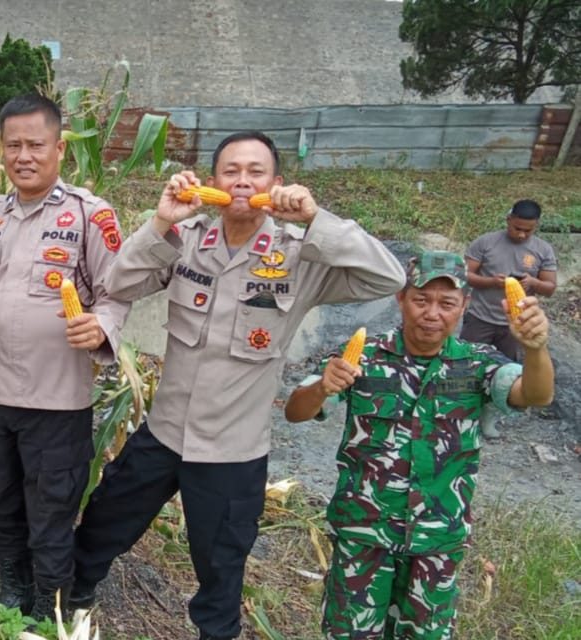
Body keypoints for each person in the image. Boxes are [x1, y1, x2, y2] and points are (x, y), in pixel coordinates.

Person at [71, 131, 407, 640]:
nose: (243, 182)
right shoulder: (188, 241)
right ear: (213, 181)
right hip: (164, 435)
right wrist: (162, 220)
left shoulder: (302, 255)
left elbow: (388, 278)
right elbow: (119, 283)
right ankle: (69, 598)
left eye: (256, 171)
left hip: (231, 452)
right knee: (102, 524)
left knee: (221, 567)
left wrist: (318, 219)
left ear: (277, 182)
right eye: (231, 171)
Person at [284, 251, 554, 639]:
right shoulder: (365, 357)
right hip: (364, 534)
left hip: (437, 538)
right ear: (401, 299)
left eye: (446, 303)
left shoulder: (478, 364)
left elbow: (535, 394)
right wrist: (323, 387)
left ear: (464, 306)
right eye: (421, 300)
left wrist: (536, 348)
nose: (432, 313)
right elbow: (297, 410)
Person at [0, 94, 131, 635]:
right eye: (12, 145)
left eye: (35, 145)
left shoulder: (89, 214)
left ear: (59, 147)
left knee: (50, 512)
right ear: (0, 149)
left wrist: (101, 325)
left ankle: (47, 611)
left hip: (57, 402)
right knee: (2, 503)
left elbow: (117, 292)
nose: (23, 156)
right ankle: (12, 595)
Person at [460, 199, 557, 436]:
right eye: (517, 228)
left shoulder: (543, 250)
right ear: (508, 220)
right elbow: (465, 275)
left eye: (528, 230)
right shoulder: (486, 242)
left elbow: (550, 287)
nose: (522, 234)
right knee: (465, 366)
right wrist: (492, 281)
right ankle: (461, 412)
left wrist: (533, 283)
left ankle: (489, 416)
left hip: (515, 325)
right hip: (480, 317)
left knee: (506, 373)